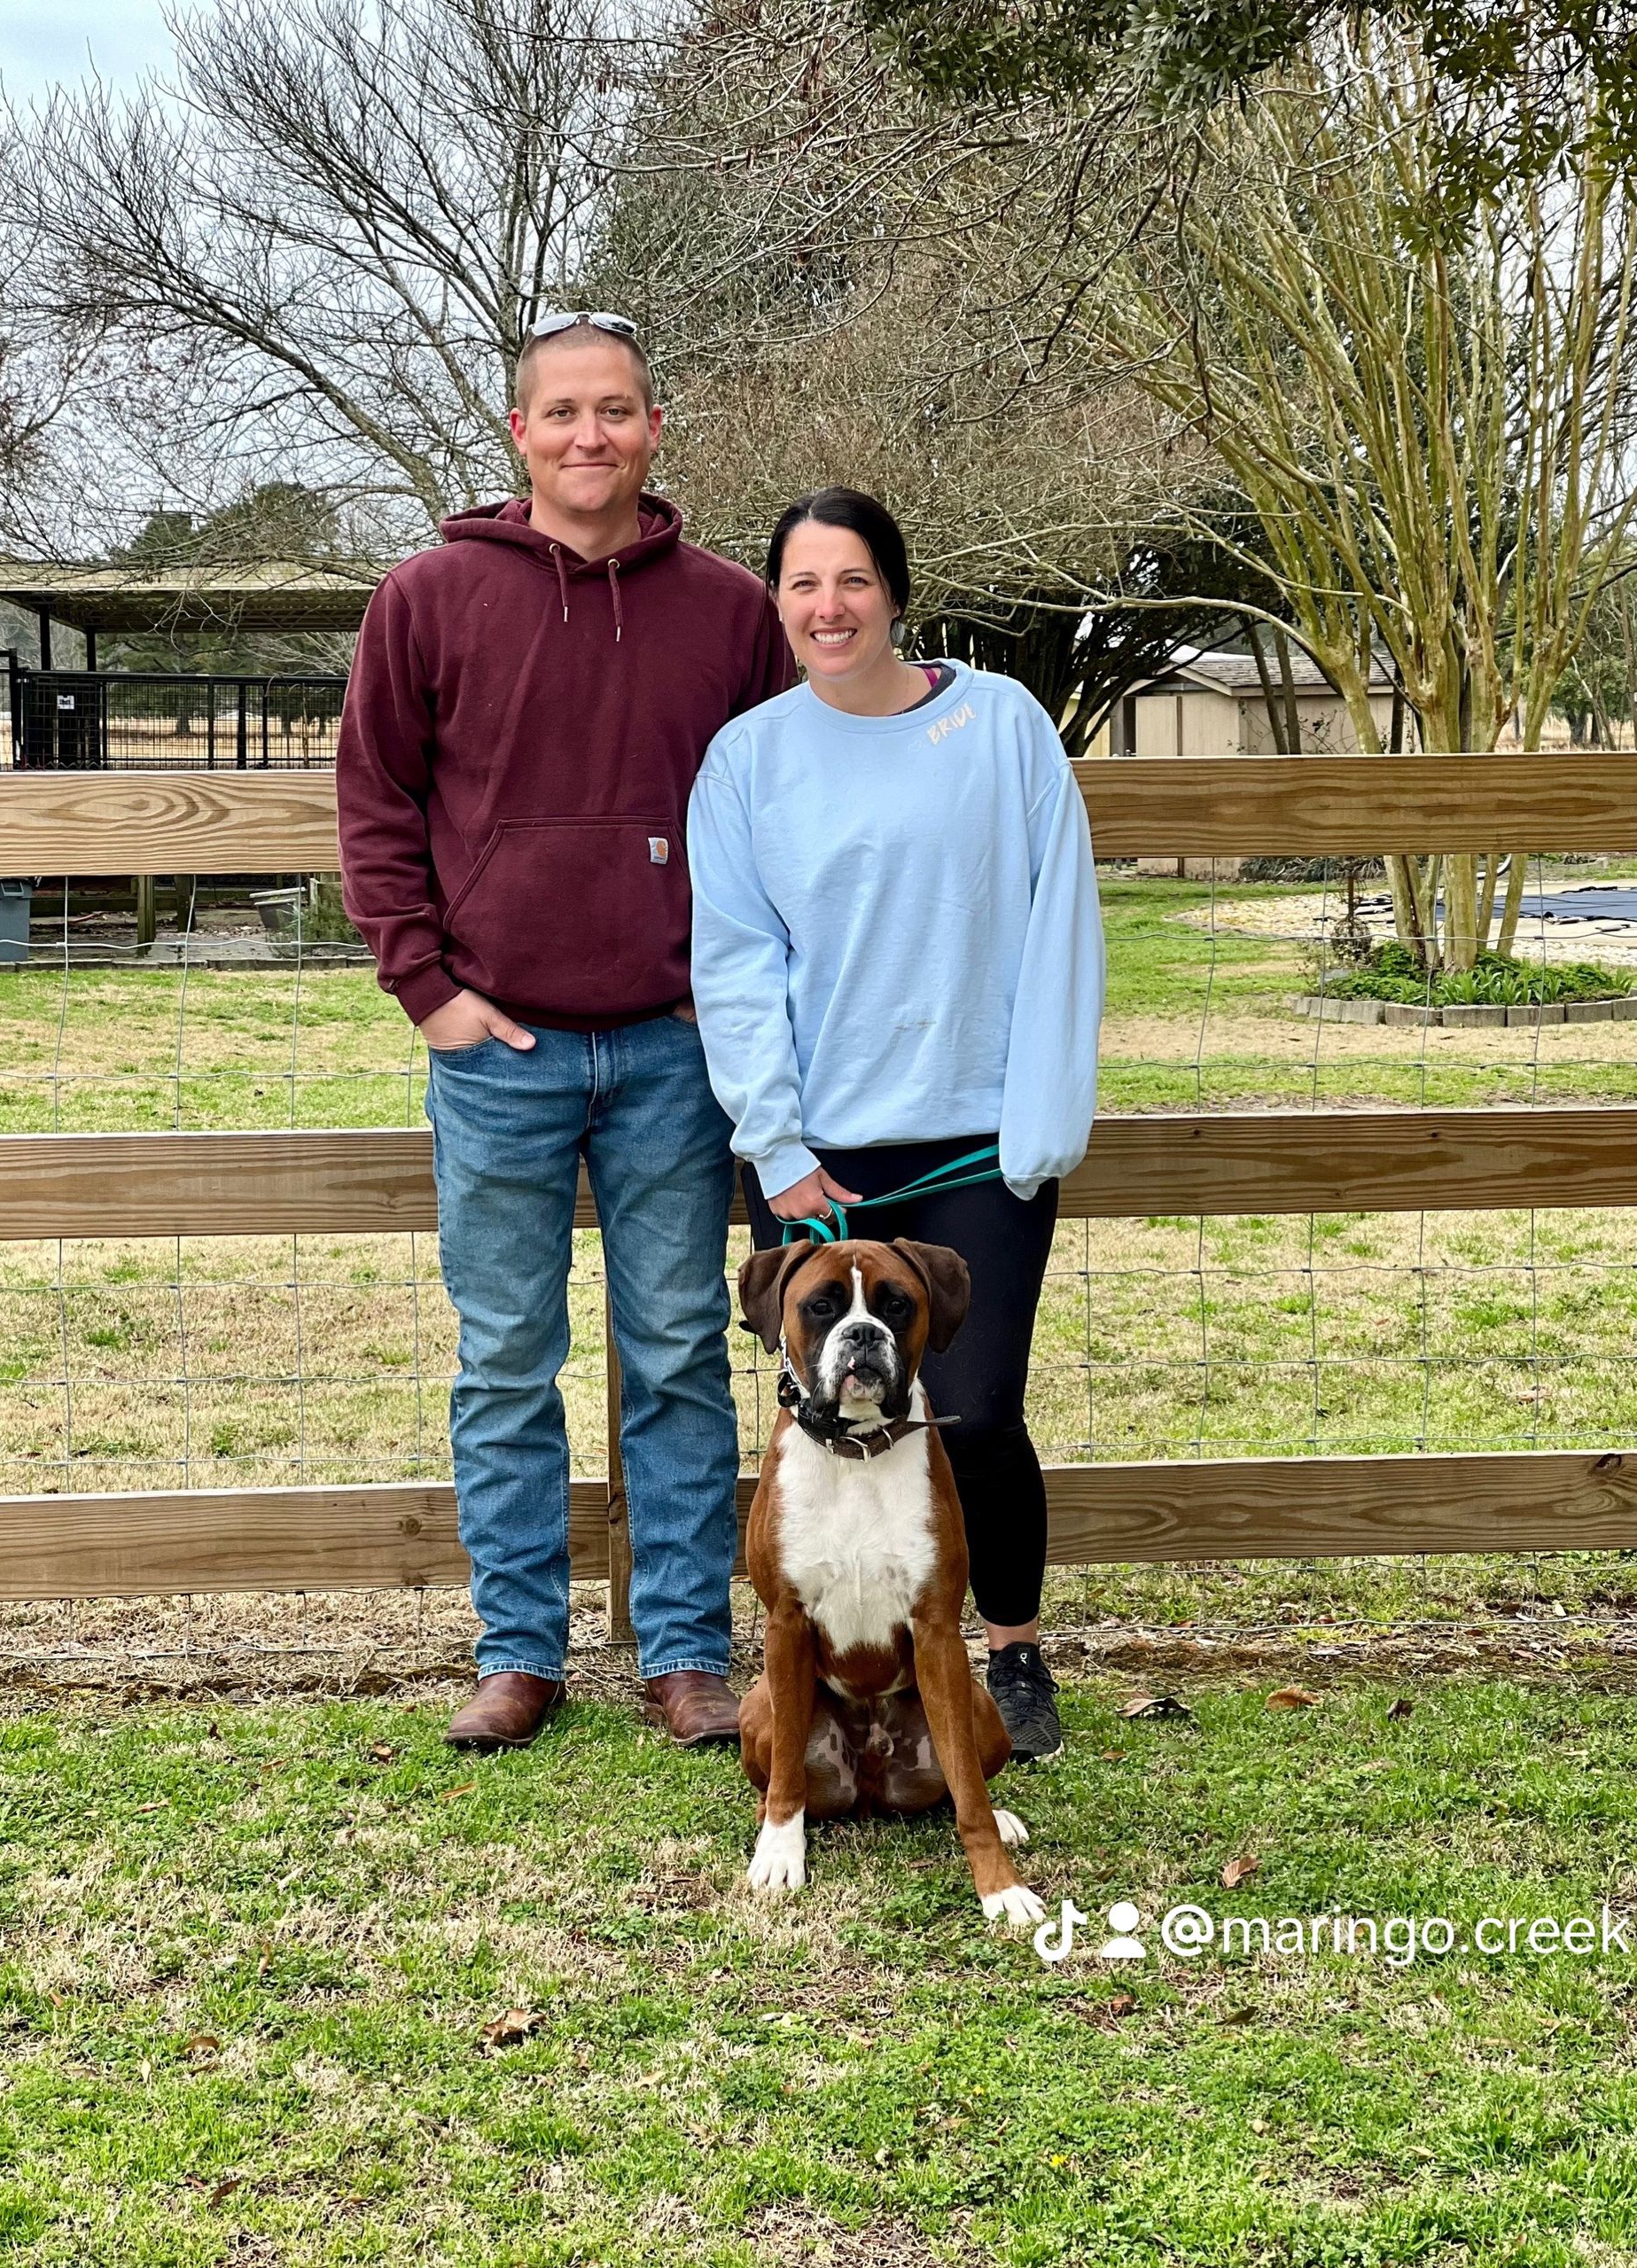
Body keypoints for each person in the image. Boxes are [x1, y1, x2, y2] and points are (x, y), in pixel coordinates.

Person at [338, 312, 795, 1753]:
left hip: (673, 1051)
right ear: (519, 433)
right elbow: (374, 806)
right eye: (562, 413)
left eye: (617, 411)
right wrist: (429, 987)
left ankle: (681, 1651)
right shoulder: (427, 597)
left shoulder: (730, 614)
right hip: (497, 1052)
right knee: (504, 1360)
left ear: (656, 428)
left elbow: (787, 815)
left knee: (674, 1352)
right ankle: (518, 1649)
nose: (589, 436)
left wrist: (728, 994)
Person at [685, 487, 1103, 1761]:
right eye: (804, 585)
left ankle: (1013, 1650)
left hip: (981, 1139)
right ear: (778, 602)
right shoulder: (748, 760)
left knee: (971, 1411)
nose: (829, 608)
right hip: (822, 1154)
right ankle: (837, 1662)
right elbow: (738, 961)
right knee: (837, 1411)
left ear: (897, 592)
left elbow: (1060, 922)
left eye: (854, 581)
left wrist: (1045, 1117)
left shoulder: (1002, 729)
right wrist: (776, 1143)